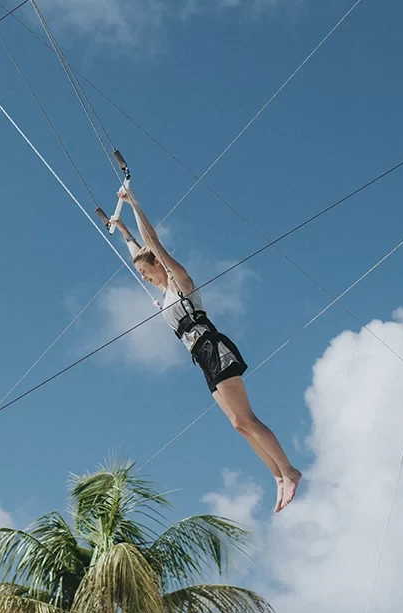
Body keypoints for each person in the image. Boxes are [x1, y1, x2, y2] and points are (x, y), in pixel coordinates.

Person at [108, 185, 303, 512]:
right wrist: (123, 230)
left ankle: (289, 470)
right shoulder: (163, 296)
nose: (142, 276)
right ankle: (277, 476)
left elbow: (152, 243)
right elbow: (137, 251)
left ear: (158, 264)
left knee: (248, 419)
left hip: (213, 347)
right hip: (201, 359)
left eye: (145, 271)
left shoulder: (180, 282)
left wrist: (134, 205)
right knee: (239, 425)